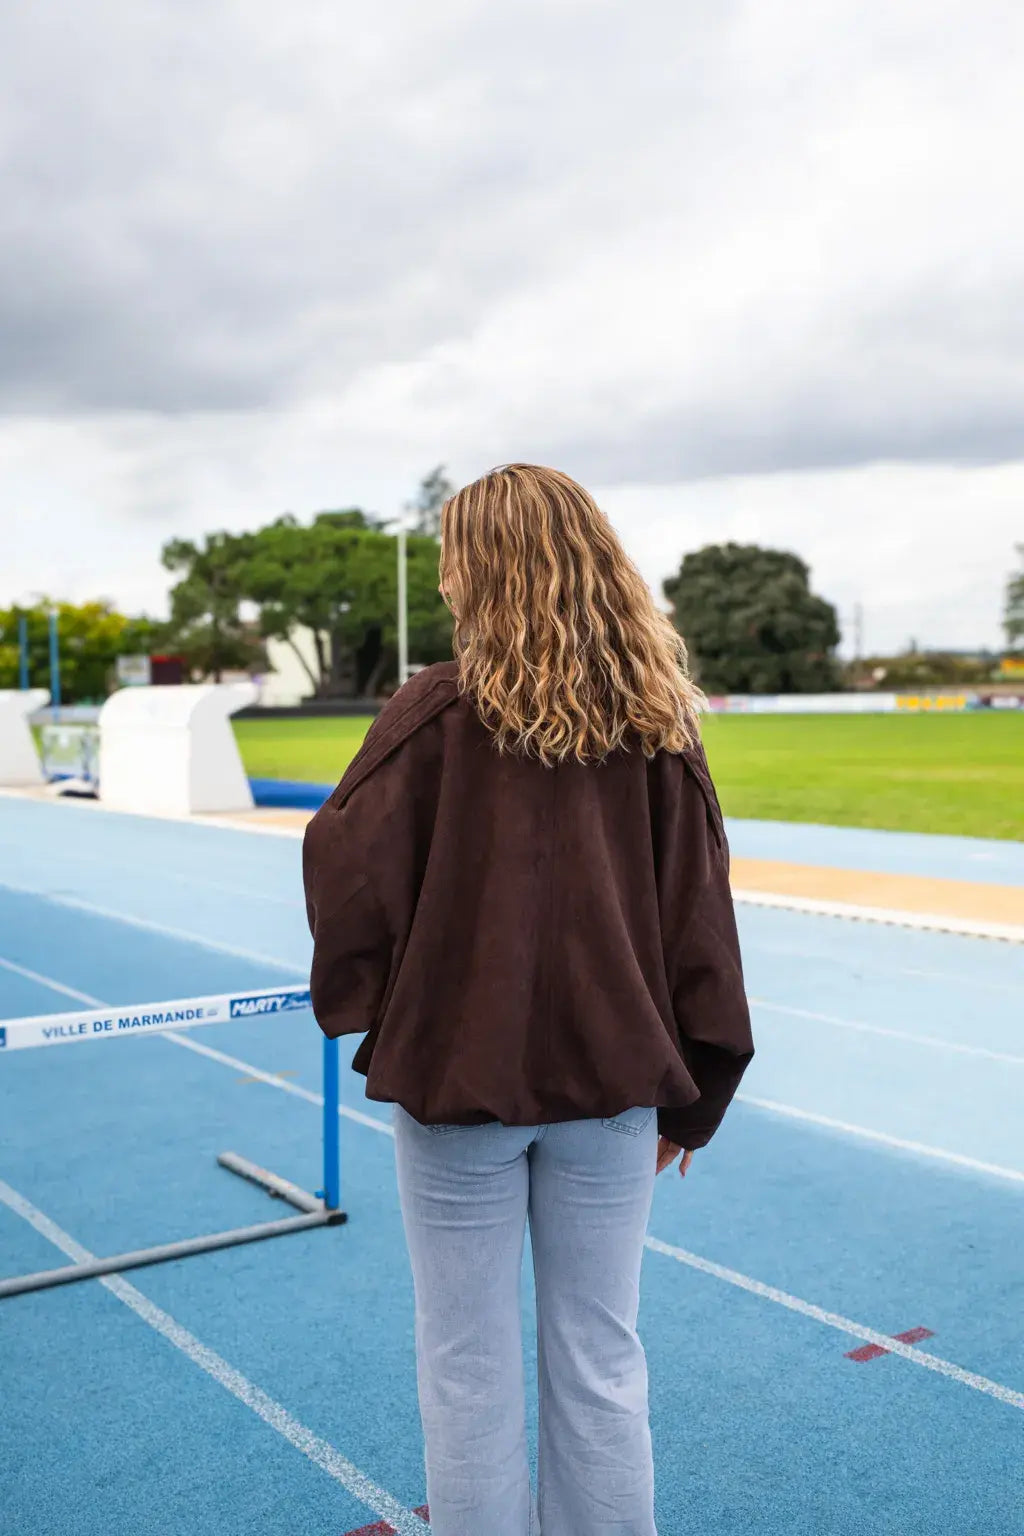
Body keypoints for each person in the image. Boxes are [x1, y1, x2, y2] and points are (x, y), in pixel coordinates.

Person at [302, 463, 754, 1536]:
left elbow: (344, 873)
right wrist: (696, 1098)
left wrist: (393, 1006)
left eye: (451, 556)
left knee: (465, 1367)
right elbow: (701, 917)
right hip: (616, 1092)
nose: (444, 577)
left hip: (459, 1089)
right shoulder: (657, 721)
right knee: (601, 1358)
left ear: (477, 567)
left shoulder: (433, 711)